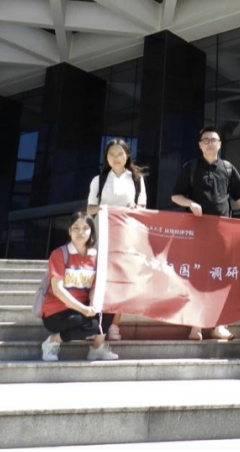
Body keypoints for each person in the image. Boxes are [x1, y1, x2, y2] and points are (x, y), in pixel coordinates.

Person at [171, 126, 240, 341]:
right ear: (200, 145)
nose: (210, 143)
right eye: (206, 140)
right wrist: (190, 203)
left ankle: (219, 326)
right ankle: (195, 325)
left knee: (220, 278)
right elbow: (175, 196)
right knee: (196, 278)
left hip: (222, 234)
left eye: (214, 140)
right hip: (196, 233)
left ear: (220, 144)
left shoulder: (228, 168)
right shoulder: (191, 167)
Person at [87, 138, 147, 341]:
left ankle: (114, 325)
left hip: (126, 235)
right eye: (111, 154)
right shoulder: (99, 180)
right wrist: (104, 208)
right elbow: (89, 208)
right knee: (100, 278)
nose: (115, 158)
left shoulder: (136, 179)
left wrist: (134, 209)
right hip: (102, 234)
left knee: (121, 279)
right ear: (106, 157)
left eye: (119, 153)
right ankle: (95, 323)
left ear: (127, 155)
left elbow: (142, 207)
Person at [41, 210, 118, 362]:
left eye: (85, 228)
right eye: (76, 228)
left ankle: (97, 348)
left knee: (108, 307)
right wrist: (84, 309)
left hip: (81, 309)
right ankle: (53, 341)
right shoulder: (59, 254)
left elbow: (96, 287)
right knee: (90, 326)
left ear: (91, 232)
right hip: (56, 312)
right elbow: (57, 289)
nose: (80, 232)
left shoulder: (95, 256)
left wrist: (93, 305)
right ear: (69, 231)